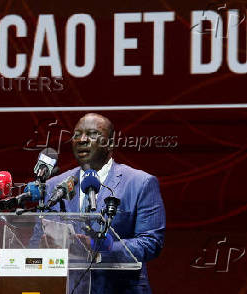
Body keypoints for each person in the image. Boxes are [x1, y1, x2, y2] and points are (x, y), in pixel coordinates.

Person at [37, 113, 166, 294]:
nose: (82, 140)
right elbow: (35, 242)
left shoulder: (139, 183)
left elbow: (151, 243)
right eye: (76, 135)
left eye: (92, 134)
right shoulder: (54, 186)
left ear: (111, 143)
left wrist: (100, 247)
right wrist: (44, 247)